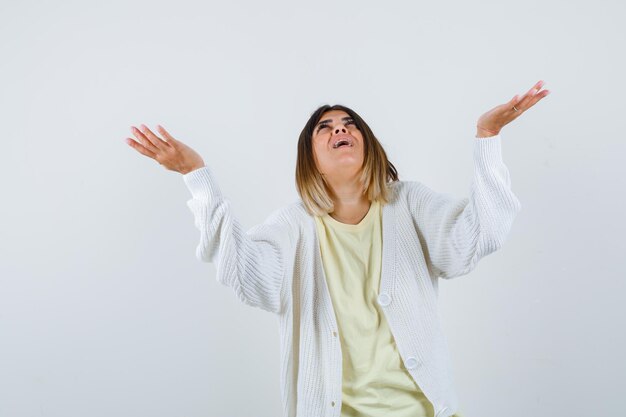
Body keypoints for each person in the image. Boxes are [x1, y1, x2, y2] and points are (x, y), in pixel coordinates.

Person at [125, 80, 550, 417]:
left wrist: (487, 136)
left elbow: (479, 235)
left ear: (367, 142)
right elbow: (248, 277)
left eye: (349, 124)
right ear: (309, 157)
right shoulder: (292, 226)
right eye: (324, 128)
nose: (340, 129)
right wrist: (197, 176)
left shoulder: (411, 204)